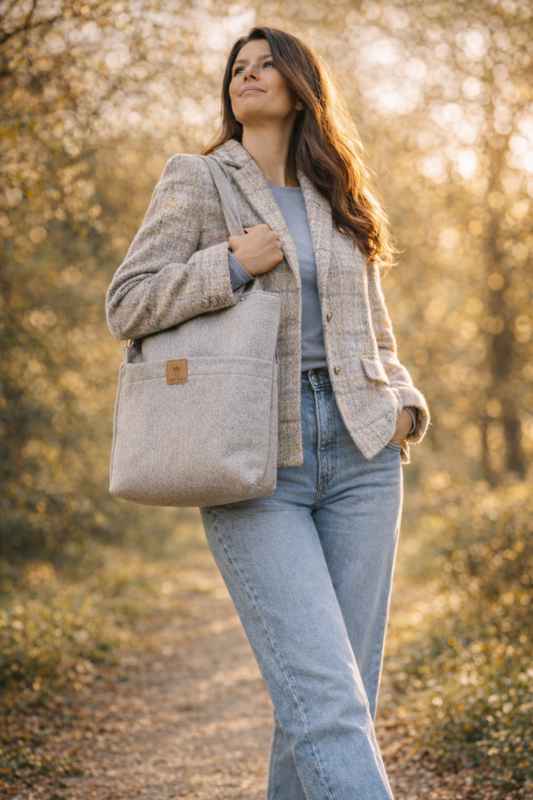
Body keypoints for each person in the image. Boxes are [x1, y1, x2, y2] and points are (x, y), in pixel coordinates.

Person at [106, 26, 429, 800]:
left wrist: (405, 409)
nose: (246, 76)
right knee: (325, 699)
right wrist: (227, 264)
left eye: (264, 66)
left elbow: (374, 332)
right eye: (236, 69)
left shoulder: (336, 193)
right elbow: (127, 303)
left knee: (328, 701)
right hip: (255, 459)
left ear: (299, 84)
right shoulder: (197, 178)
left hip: (362, 452)